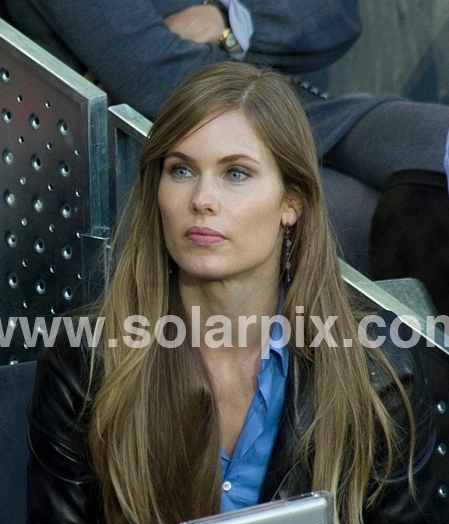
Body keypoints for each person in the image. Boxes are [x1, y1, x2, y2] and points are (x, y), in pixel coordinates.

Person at [24, 62, 447, 524]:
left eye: (236, 173)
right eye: (181, 169)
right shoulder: (87, 358)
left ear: (291, 203)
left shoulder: (376, 366)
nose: (201, 199)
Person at [6, 0, 449, 302]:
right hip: (148, 145)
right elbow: (153, 76)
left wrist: (227, 18)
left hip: (291, 105)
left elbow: (334, 14)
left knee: (438, 146)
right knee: (398, 215)